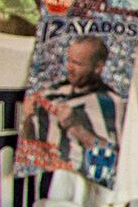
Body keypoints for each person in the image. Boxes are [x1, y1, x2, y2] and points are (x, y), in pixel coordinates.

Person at [20, 36, 120, 177]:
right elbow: (28, 152)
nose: (69, 68)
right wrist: (27, 119)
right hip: (47, 184)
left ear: (98, 67)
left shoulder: (112, 102)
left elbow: (113, 162)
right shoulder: (50, 94)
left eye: (77, 63)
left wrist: (77, 128)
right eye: (69, 61)